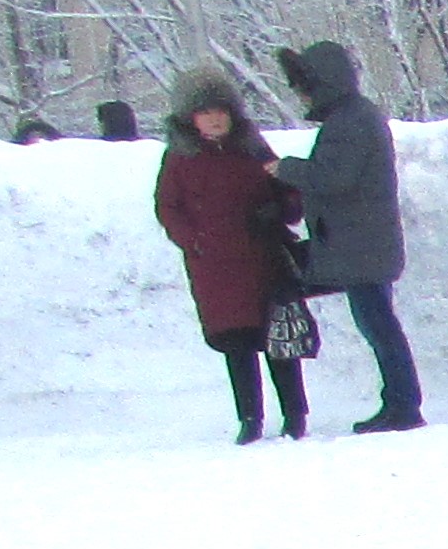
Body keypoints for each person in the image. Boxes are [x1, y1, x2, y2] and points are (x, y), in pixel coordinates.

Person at [154, 70, 306, 445]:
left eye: (220, 110)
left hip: (263, 260)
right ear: (190, 117)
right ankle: (250, 418)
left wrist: (279, 210)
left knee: (280, 342)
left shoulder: (252, 146)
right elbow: (168, 207)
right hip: (216, 270)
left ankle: (295, 415)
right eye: (204, 112)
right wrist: (196, 242)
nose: (214, 118)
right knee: (237, 347)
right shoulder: (179, 158)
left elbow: (286, 188)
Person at [279, 40, 424, 432]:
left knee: (378, 325)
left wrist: (284, 169)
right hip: (365, 241)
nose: (302, 94)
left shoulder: (349, 122)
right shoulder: (356, 116)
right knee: (379, 323)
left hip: (362, 245)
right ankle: (399, 402)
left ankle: (403, 405)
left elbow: (332, 178)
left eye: (303, 85)